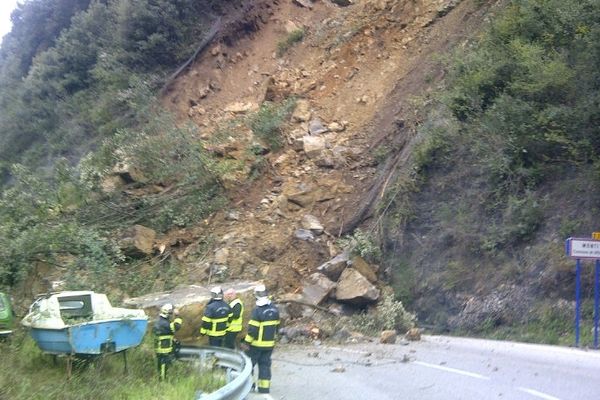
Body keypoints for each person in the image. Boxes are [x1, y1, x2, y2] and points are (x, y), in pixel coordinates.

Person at [242, 284, 280, 394]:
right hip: (269, 345)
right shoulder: (274, 310)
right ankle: (264, 388)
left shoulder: (257, 311)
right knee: (265, 365)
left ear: (256, 295)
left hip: (256, 345)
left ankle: (250, 386)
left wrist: (246, 342)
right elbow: (277, 327)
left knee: (249, 365)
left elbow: (253, 330)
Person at [153, 303, 183, 380]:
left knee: (162, 363)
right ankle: (162, 380)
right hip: (163, 347)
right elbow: (176, 327)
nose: (171, 314)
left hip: (162, 346)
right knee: (163, 364)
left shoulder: (161, 320)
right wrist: (177, 316)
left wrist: (172, 339)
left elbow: (166, 332)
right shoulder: (164, 323)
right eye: (171, 313)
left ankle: (162, 378)